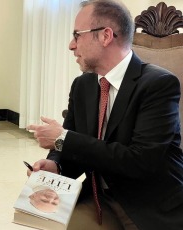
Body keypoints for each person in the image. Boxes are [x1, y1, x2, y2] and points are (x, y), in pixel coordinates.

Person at [27, 0, 183, 230]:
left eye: (77, 35)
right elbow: (72, 148)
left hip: (149, 203)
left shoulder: (158, 85)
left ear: (105, 36)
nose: (71, 45)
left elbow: (140, 162)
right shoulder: (82, 85)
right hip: (99, 197)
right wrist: (55, 166)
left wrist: (63, 138)